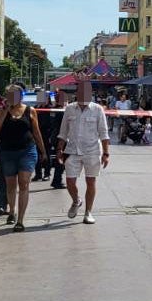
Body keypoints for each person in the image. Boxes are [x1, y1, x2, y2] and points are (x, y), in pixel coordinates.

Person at [0, 85, 47, 231]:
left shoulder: (30, 111)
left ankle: (20, 220)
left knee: (24, 183)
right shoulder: (1, 111)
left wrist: (43, 151)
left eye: (14, 95)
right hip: (7, 152)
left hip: (27, 151)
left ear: (21, 96)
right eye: (8, 95)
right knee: (10, 185)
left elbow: (36, 132)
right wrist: (5, 112)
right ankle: (11, 211)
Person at [56, 81, 110, 225]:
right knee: (70, 181)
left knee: (90, 181)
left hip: (92, 151)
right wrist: (59, 149)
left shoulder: (98, 109)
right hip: (72, 150)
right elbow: (63, 131)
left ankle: (88, 212)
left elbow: (104, 133)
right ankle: (76, 201)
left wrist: (106, 153)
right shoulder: (70, 109)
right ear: (77, 93)